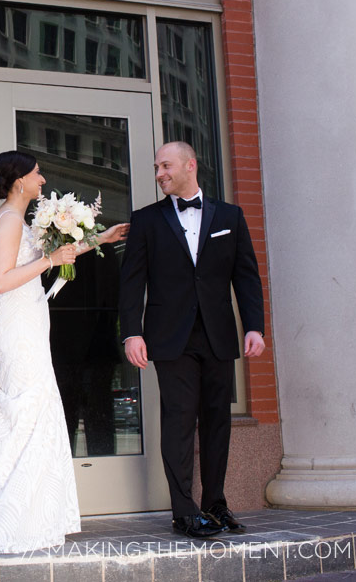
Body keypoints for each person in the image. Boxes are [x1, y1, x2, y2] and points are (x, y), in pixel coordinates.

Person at [0, 151, 129, 553]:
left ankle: (29, 508)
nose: (43, 179)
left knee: (29, 405)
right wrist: (51, 260)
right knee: (23, 406)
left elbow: (48, 256)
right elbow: (3, 280)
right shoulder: (8, 221)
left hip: (30, 319)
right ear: (19, 181)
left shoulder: (18, 221)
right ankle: (9, 514)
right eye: (37, 174)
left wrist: (98, 239)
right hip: (16, 320)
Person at [118, 141, 265, 539]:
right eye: (156, 166)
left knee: (217, 422)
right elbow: (132, 283)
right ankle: (184, 511)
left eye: (165, 165)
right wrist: (132, 331)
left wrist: (254, 326)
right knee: (179, 422)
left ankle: (215, 504)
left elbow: (246, 276)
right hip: (170, 338)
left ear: (189, 165)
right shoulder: (147, 220)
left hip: (218, 335)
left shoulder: (231, 216)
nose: (159, 173)